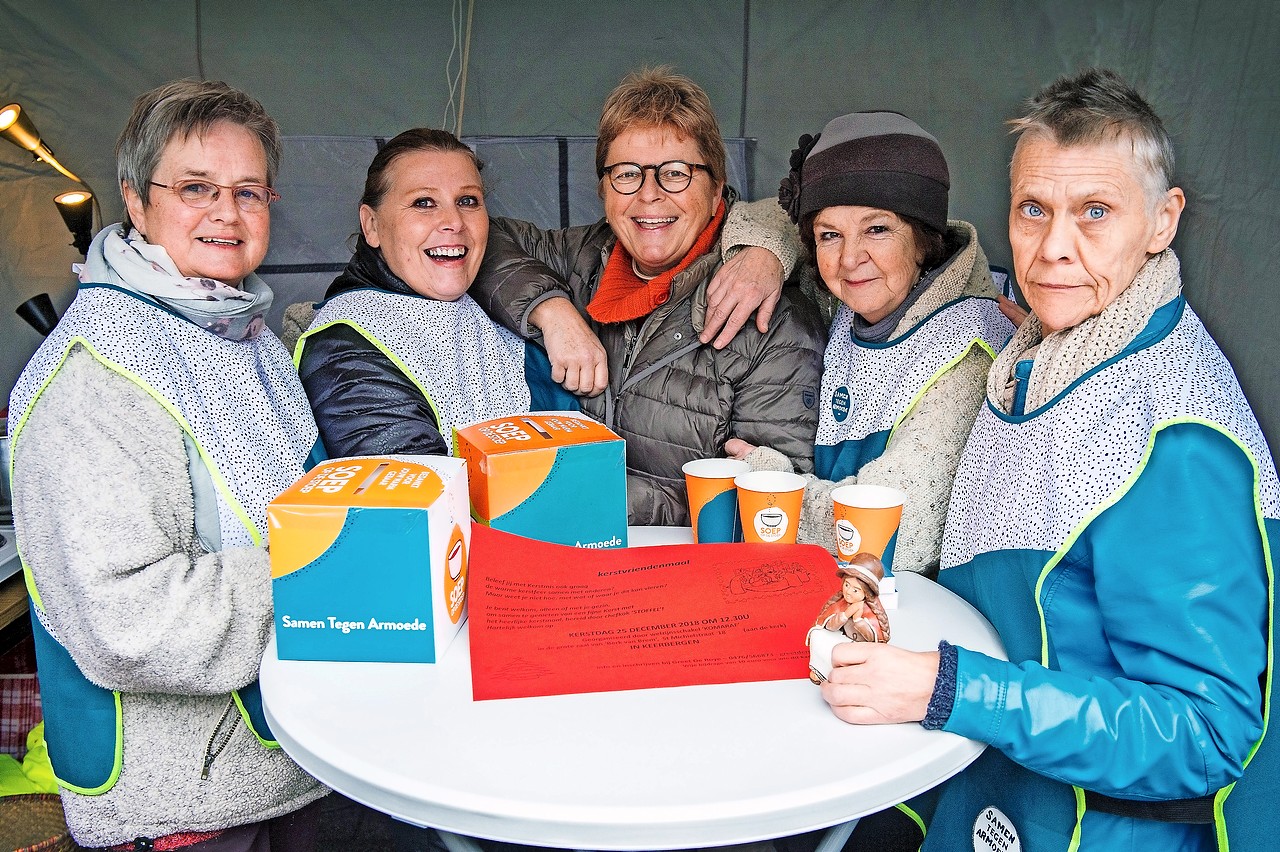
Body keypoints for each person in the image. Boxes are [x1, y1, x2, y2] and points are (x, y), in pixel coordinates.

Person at [820, 68, 1278, 851]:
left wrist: (949, 689)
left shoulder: (1178, 434)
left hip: (1092, 829)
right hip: (978, 783)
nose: (1052, 249)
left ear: (1163, 221)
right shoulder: (1039, 358)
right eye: (1034, 210)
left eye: (1094, 213)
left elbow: (1205, 733)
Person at [7, 80, 327, 849]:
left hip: (288, 768)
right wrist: (327, 569)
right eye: (195, 188)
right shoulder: (94, 375)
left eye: (249, 190)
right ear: (135, 201)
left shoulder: (248, 339)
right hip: (182, 810)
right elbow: (130, 621)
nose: (227, 211)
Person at [470, 67, 826, 526]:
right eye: (626, 174)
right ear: (602, 188)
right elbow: (479, 237)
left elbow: (766, 507)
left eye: (676, 173)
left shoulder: (773, 317)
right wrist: (551, 310)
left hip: (679, 574)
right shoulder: (577, 256)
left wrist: (579, 496)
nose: (649, 195)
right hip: (560, 551)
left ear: (717, 188)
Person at [726, 112, 1013, 577]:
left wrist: (768, 479)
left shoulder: (971, 347)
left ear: (923, 239)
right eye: (829, 235)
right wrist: (764, 255)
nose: (850, 258)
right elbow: (757, 215)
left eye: (877, 229)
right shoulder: (851, 300)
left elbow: (890, 534)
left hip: (916, 608)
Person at [295, 128, 575, 457]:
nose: (453, 221)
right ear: (372, 226)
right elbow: (409, 497)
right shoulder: (345, 347)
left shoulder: (494, 307)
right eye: (423, 203)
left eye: (468, 201)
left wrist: (554, 309)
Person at [813, 556, 889, 643]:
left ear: (867, 593)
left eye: (855, 590)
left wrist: (857, 620)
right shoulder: (840, 603)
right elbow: (829, 626)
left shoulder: (871, 612)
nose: (848, 591)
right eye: (846, 585)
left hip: (861, 649)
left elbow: (872, 638)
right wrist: (846, 614)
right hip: (841, 643)